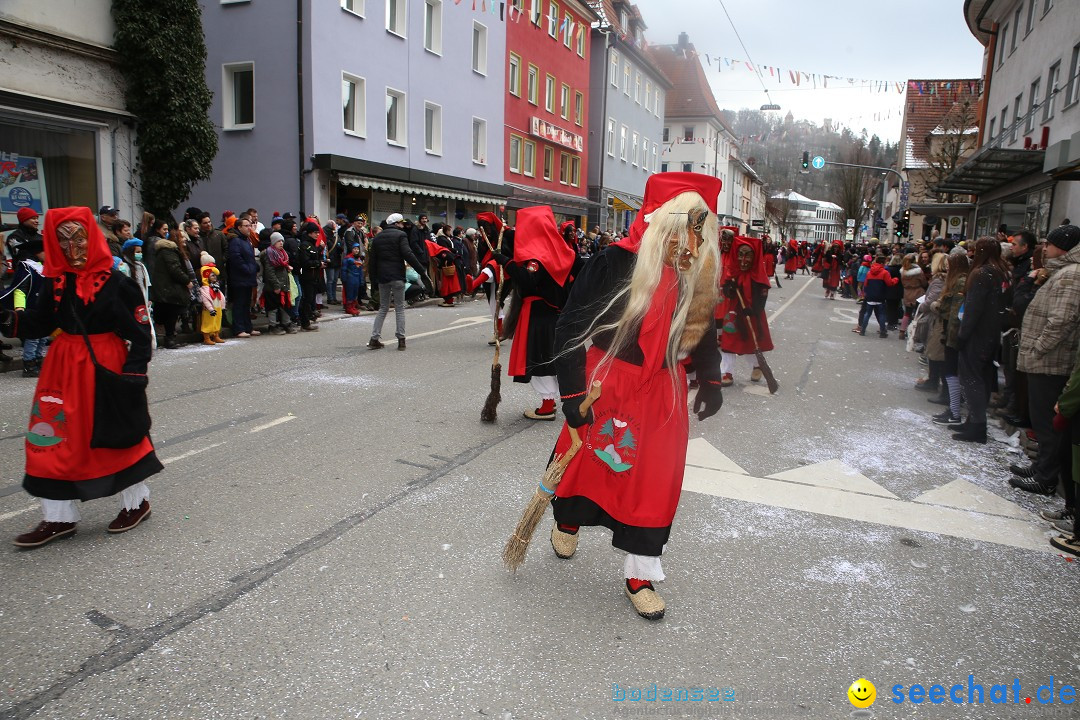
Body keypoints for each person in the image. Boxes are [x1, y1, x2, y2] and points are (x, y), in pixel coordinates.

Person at [546, 172, 725, 620]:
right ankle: (567, 517)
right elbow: (570, 326)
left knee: (655, 480)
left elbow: (703, 326)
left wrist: (710, 376)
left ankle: (640, 574)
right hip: (607, 381)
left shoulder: (695, 269)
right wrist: (572, 392)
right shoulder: (613, 262)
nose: (692, 238)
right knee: (589, 461)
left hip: (663, 389)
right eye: (688, 225)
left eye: (700, 228)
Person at [1, 207, 162, 547]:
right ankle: (58, 517)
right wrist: (13, 319)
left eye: (78, 239)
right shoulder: (53, 279)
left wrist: (133, 373)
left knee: (115, 434)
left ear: (92, 238)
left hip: (105, 366)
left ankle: (137, 502)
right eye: (62, 240)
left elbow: (140, 332)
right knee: (51, 436)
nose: (71, 248)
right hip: (60, 368)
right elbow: (40, 322)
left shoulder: (118, 282)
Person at [494, 206, 582, 420]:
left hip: (539, 314)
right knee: (548, 358)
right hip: (555, 314)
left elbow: (529, 280)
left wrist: (506, 262)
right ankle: (553, 401)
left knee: (539, 359)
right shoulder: (564, 252)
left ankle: (547, 405)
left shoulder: (538, 258)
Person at [1013, 225, 1080, 495]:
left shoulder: (1071, 274)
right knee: (1040, 418)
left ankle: (1046, 476)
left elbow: (1062, 320)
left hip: (1052, 361)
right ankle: (1042, 465)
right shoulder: (1063, 271)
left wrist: (1038, 348)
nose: (1044, 248)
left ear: (1061, 247)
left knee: (1046, 421)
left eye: (1048, 243)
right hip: (1047, 359)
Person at [953, 238, 1008, 444]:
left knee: (972, 379)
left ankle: (977, 425)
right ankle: (974, 421)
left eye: (974, 250)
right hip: (992, 334)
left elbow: (973, 309)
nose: (971, 253)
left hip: (977, 334)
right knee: (982, 378)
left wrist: (962, 335)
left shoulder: (981, 273)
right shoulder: (1001, 271)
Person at [366, 214, 432, 350]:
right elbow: (409, 254)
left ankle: (374, 338)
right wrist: (422, 272)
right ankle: (401, 340)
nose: (403, 225)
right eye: (401, 223)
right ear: (396, 224)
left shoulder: (378, 237)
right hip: (397, 276)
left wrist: (373, 280)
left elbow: (372, 261)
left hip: (383, 277)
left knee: (383, 308)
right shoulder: (401, 236)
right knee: (399, 308)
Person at [715, 233, 773, 386]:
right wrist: (730, 289)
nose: (743, 260)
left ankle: (757, 365)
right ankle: (727, 371)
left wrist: (753, 309)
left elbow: (762, 298)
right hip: (733, 312)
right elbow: (727, 290)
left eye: (748, 256)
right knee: (728, 343)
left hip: (751, 314)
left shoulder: (759, 277)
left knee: (751, 343)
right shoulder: (733, 273)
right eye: (740, 255)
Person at [931, 253, 970, 427]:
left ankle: (954, 411)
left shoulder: (960, 281)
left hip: (953, 333)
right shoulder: (957, 280)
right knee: (950, 372)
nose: (946, 267)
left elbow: (955, 313)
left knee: (952, 372)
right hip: (951, 331)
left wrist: (937, 306)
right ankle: (953, 409)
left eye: (949, 264)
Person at [3, 234, 47, 377]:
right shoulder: (27, 267)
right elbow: (20, 289)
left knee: (42, 337)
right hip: (30, 310)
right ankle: (29, 364)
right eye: (46, 251)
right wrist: (20, 310)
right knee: (33, 339)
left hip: (41, 308)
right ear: (37, 252)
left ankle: (38, 360)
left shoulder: (41, 267)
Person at [150, 221, 193, 349]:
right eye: (182, 239)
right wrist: (187, 281)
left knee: (171, 314)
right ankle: (169, 339)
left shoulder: (166, 251)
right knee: (171, 314)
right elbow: (175, 269)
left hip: (166, 288)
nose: (184, 241)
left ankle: (170, 337)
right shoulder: (169, 251)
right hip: (169, 289)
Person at [226, 216, 260, 338]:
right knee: (239, 303)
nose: (249, 228)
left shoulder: (246, 240)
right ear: (239, 227)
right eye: (246, 226)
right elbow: (236, 258)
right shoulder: (235, 241)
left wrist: (255, 267)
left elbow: (249, 257)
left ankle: (248, 327)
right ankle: (239, 328)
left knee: (247, 303)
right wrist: (248, 269)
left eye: (250, 225)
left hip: (248, 277)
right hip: (240, 277)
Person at [261, 232, 297, 335]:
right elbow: (270, 272)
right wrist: (276, 285)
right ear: (273, 242)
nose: (281, 243)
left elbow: (282, 267)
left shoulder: (282, 254)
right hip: (273, 286)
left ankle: (286, 323)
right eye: (278, 241)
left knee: (284, 305)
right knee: (273, 307)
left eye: (282, 241)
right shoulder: (270, 254)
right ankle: (273, 326)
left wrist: (287, 268)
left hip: (284, 284)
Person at [856, 255, 899, 337]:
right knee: (881, 314)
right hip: (880, 295)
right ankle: (883, 332)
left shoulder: (869, 272)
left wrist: (865, 293)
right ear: (882, 263)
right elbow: (889, 283)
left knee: (867, 313)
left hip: (870, 295)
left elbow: (866, 284)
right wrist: (895, 280)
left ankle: (863, 330)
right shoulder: (885, 273)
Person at [296, 222, 322, 331]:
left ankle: (306, 321)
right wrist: (318, 263)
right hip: (306, 276)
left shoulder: (312, 245)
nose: (317, 235)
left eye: (318, 232)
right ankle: (304, 323)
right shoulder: (305, 245)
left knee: (310, 299)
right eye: (315, 233)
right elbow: (305, 262)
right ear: (310, 233)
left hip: (313, 276)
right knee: (306, 299)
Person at [197, 252, 226, 345]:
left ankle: (216, 335)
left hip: (217, 307)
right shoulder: (205, 289)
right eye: (212, 275)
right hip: (210, 309)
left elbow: (221, 297)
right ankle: (206, 337)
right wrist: (210, 309)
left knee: (217, 320)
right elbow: (206, 300)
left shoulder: (216, 287)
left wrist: (222, 306)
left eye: (215, 276)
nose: (215, 277)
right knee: (208, 322)